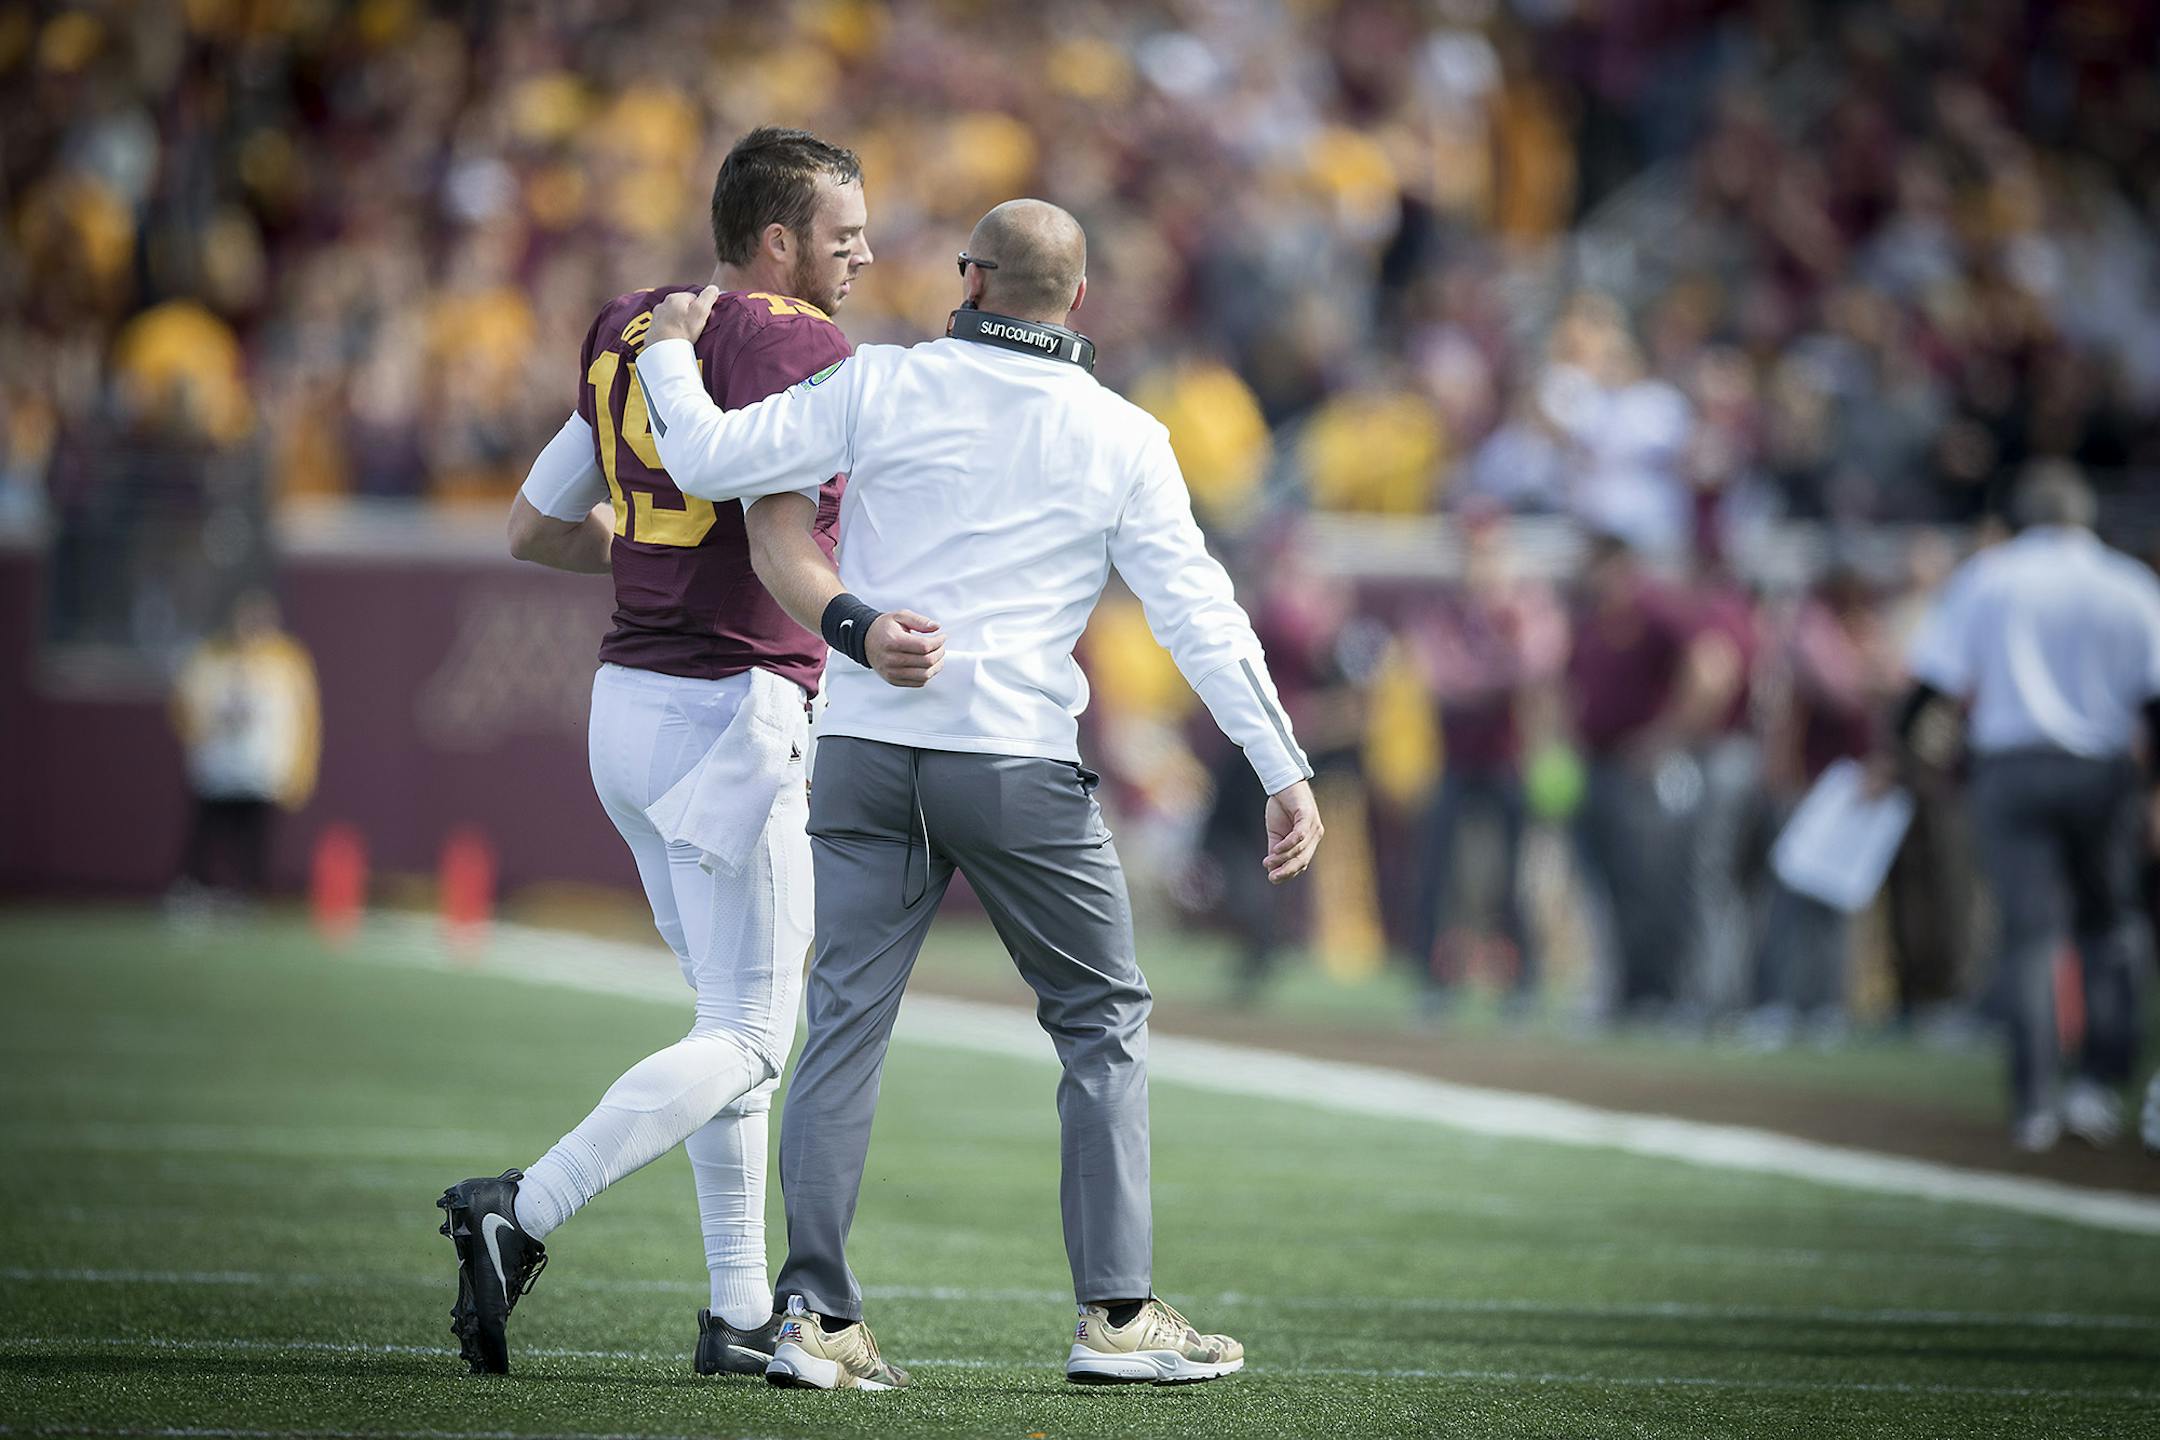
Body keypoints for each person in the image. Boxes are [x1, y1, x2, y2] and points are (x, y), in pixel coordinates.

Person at [630, 199, 1324, 1389]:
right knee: (1101, 1025)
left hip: (864, 748)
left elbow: (702, 459)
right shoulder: (1126, 434)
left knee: (842, 1026)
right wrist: (1280, 764)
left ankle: (813, 1317)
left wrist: (659, 352)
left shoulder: (883, 380)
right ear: (1079, 301)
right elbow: (1199, 616)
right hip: (1015, 763)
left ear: (970, 279)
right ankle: (1113, 1315)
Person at [434, 127, 928, 1381]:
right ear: (776, 240)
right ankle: (523, 1209)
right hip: (732, 711)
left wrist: (650, 550)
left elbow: (534, 528)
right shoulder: (801, 345)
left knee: (727, 1024)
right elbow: (769, 532)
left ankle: (737, 1310)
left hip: (627, 707)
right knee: (759, 1034)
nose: (864, 249)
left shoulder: (638, 323)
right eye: (841, 231)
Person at [1900, 463, 2160, 1152]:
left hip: (2010, 770)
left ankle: (2034, 1101)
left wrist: (1901, 752)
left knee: (2028, 938)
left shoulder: (1990, 577)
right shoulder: (2128, 583)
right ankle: (2097, 1086)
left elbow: (1930, 685)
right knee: (2109, 927)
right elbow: (2156, 699)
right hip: (2103, 770)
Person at [168, 589, 319, 902]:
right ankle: (194, 888)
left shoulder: (286, 661)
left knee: (253, 835)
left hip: (261, 768)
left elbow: (304, 715)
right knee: (208, 830)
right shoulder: (212, 657)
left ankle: (245, 892)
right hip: (219, 767)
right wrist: (196, 741)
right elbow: (187, 705)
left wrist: (300, 765)